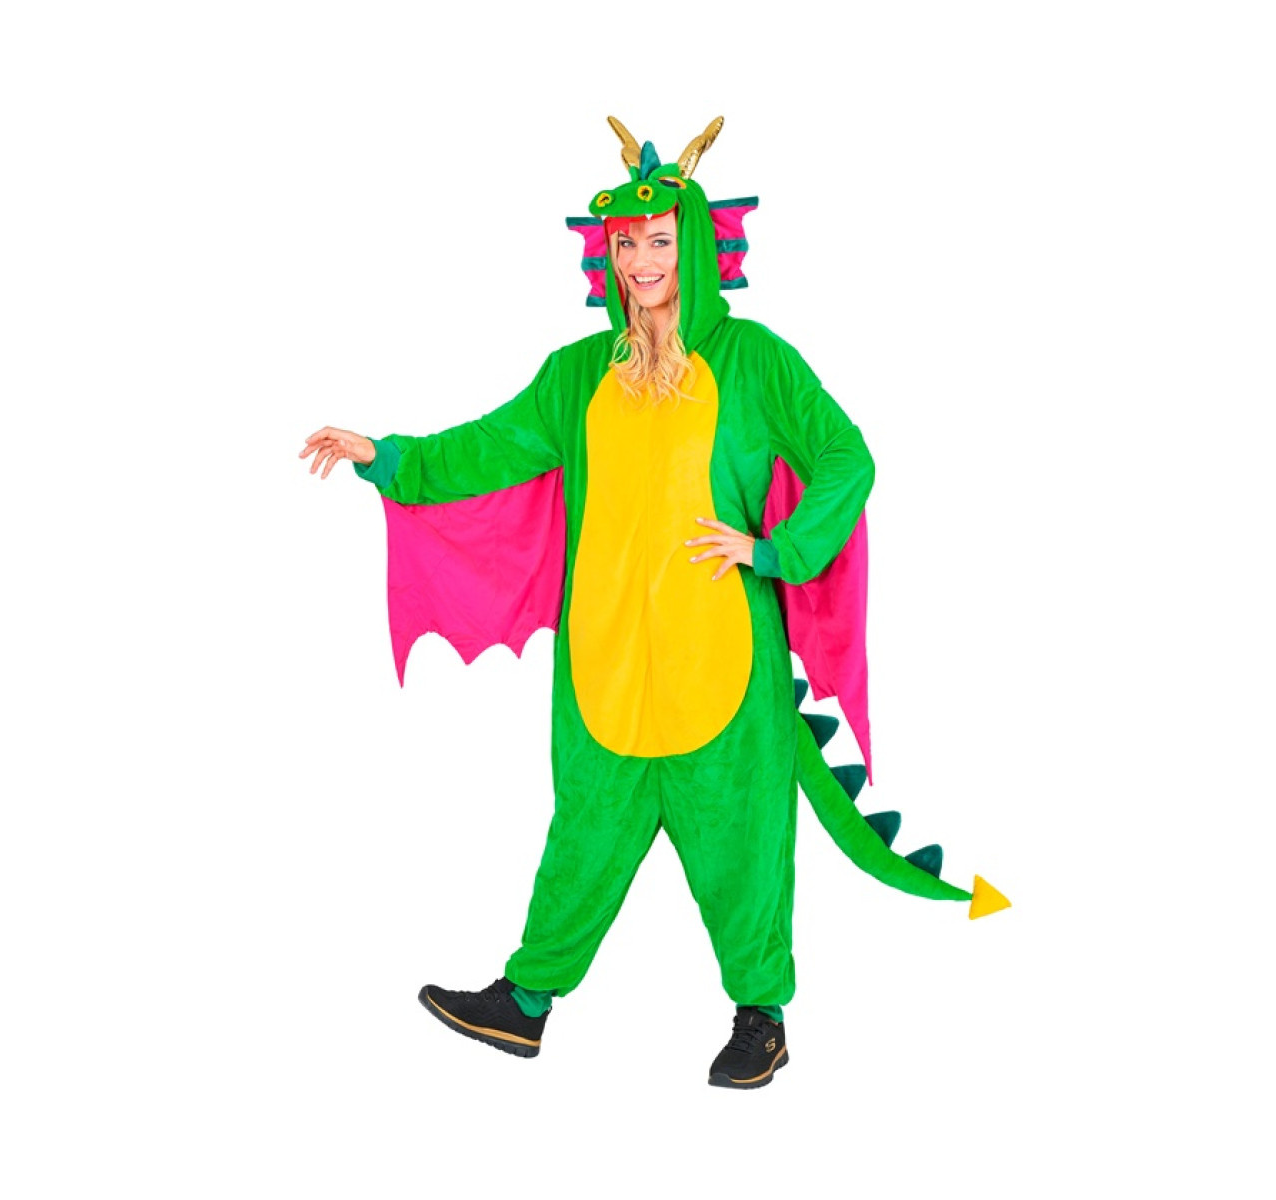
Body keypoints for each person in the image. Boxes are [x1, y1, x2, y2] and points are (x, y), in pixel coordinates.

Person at [301, 117, 1003, 1090]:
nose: (641, 261)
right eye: (626, 242)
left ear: (696, 244)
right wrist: (387, 456)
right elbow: (487, 449)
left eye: (660, 240)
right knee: (581, 839)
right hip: (605, 667)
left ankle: (761, 1018)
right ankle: (525, 1003)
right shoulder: (576, 377)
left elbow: (847, 458)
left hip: (725, 669)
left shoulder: (753, 361)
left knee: (742, 847)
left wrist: (777, 551)